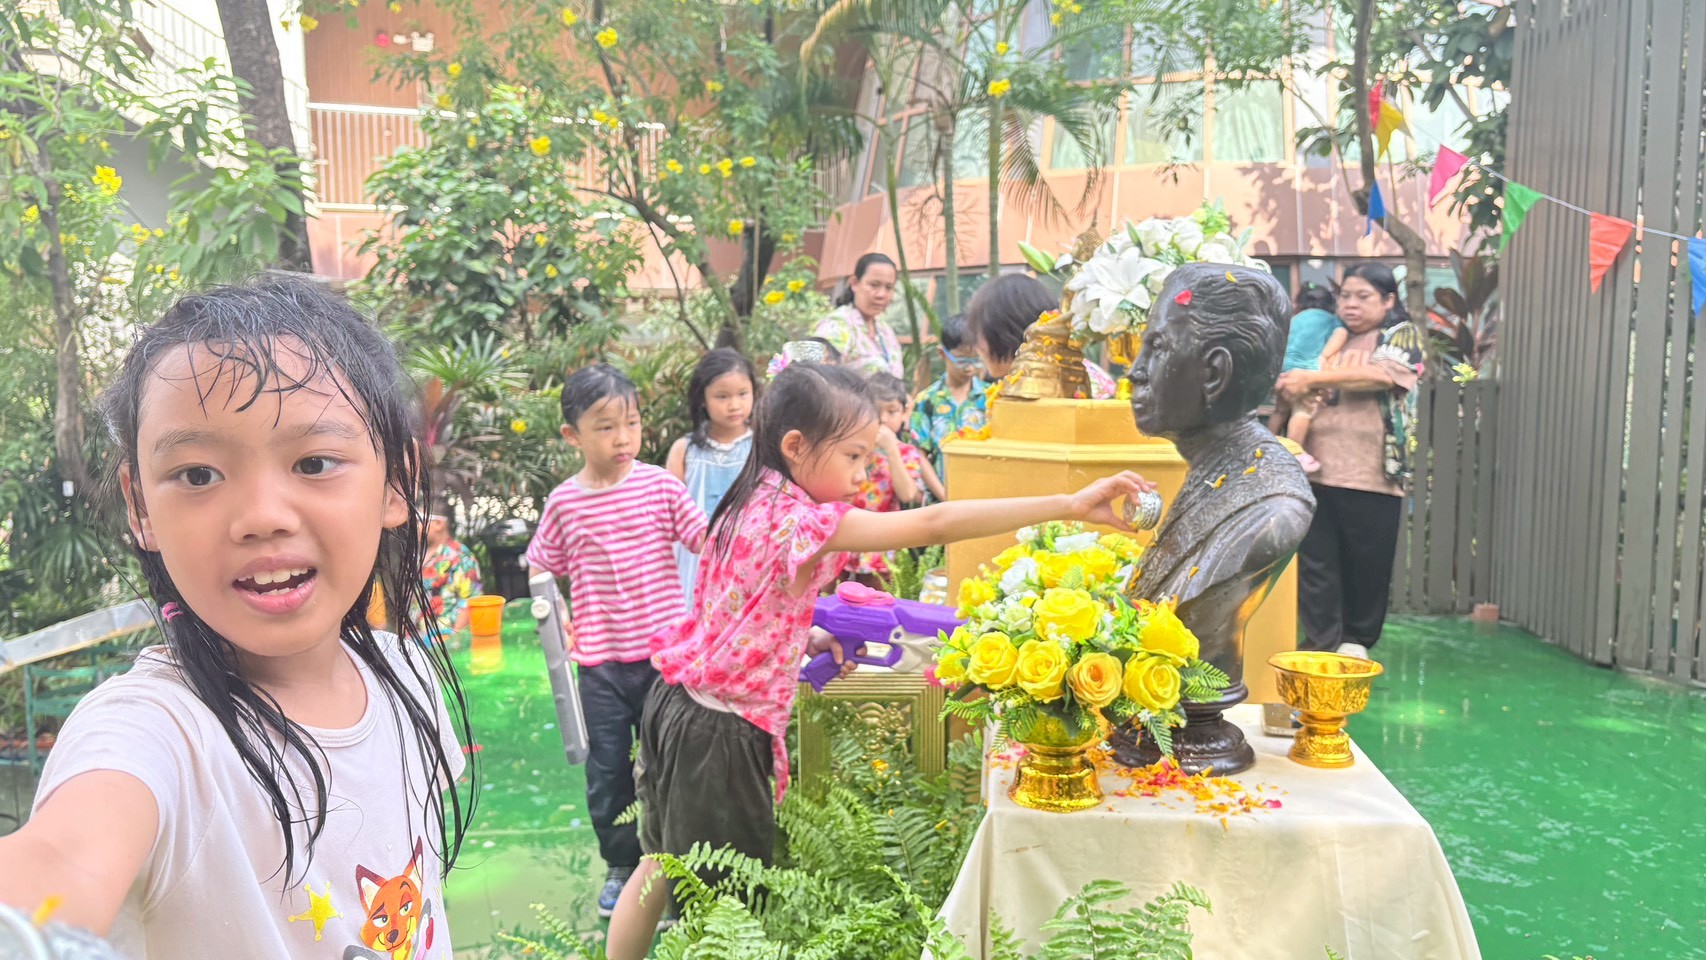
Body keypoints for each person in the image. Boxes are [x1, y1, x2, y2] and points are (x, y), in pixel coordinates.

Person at [603, 363, 1152, 959]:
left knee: (659, 866)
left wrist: (802, 639)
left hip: (676, 706)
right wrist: (1070, 503)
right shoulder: (801, 519)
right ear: (795, 446)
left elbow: (737, 611)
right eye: (854, 457)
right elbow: (934, 520)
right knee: (725, 916)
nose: (863, 475)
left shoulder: (752, 497)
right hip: (718, 738)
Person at [0, 279, 473, 958]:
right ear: (140, 505)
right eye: (198, 475)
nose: (262, 517)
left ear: (396, 482)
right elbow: (63, 859)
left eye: (314, 462)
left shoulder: (408, 675)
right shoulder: (155, 734)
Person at [526, 364, 709, 918]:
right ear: (572, 435)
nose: (623, 437)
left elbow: (707, 541)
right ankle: (621, 865)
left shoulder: (661, 486)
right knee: (607, 773)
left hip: (664, 662)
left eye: (631, 422)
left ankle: (677, 867)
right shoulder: (565, 503)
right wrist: (556, 614)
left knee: (670, 765)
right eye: (605, 427)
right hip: (600, 666)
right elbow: (540, 565)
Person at [1276, 263, 1426, 660]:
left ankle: (1357, 642)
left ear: (1388, 300)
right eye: (1345, 296)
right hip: (1313, 472)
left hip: (1371, 474)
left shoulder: (1399, 334)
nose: (1351, 304)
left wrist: (1312, 380)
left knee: (1367, 564)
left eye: (1363, 296)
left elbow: (1382, 377)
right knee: (1316, 564)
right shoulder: (1330, 335)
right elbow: (1296, 371)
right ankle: (1321, 643)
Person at [666, 349, 756, 599]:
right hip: (695, 559)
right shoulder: (685, 450)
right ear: (703, 399)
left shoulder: (763, 446)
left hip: (748, 555)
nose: (734, 405)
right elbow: (669, 511)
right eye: (722, 396)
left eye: (743, 394)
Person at [849, 372, 946, 579]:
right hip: (847, 531)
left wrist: (891, 449)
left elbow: (908, 494)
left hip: (881, 539)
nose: (883, 418)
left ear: (904, 413)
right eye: (876, 411)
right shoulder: (852, 446)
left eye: (891, 411)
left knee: (875, 588)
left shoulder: (906, 453)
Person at [964, 273, 1118, 398]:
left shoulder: (1065, 385)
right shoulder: (1058, 371)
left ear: (1003, 334)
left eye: (978, 332)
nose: (976, 347)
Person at [1269, 282, 1347, 474]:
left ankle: (1265, 447)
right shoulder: (1331, 320)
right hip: (1305, 371)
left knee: (1280, 410)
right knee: (1303, 411)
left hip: (1283, 371)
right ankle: (1294, 453)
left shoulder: (1294, 319)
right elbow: (1341, 334)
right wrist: (1324, 356)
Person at [910, 313, 988, 483]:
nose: (969, 368)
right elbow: (919, 455)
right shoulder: (926, 400)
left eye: (976, 360)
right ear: (942, 353)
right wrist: (943, 495)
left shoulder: (991, 397)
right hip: (940, 493)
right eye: (961, 361)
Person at [813, 252, 904, 377]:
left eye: (889, 287)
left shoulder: (886, 331)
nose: (881, 294)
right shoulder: (837, 324)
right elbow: (817, 377)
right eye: (874, 285)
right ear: (854, 283)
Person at [420, 498, 483, 639]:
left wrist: (454, 640)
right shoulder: (419, 556)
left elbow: (471, 601)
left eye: (420, 520)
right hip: (418, 641)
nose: (416, 525)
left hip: (445, 641)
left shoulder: (459, 556)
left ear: (438, 524)